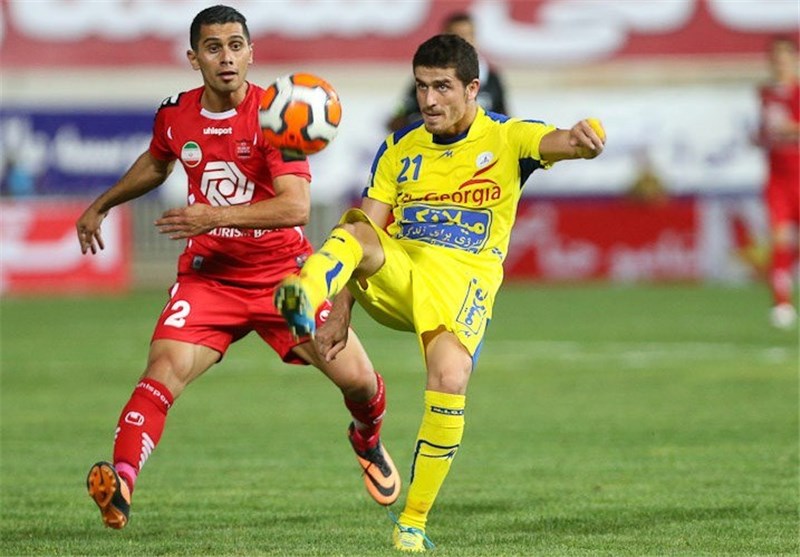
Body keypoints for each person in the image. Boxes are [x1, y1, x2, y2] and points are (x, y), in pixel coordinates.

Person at [274, 33, 605, 552]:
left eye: (442, 87)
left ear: (472, 89)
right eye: (422, 86)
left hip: (463, 283)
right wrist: (339, 307)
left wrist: (584, 140)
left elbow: (560, 141)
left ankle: (412, 523)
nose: (429, 100)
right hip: (402, 272)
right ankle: (302, 291)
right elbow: (365, 231)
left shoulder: (507, 137)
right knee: (355, 228)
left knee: (450, 379)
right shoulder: (399, 148)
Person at [76, 4, 399, 530]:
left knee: (360, 383)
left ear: (251, 53)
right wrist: (103, 203)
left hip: (284, 280)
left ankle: (367, 439)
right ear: (194, 58)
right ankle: (122, 483)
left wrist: (213, 216)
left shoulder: (276, 115)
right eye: (213, 48)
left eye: (235, 46)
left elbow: (295, 206)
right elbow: (157, 161)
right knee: (162, 371)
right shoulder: (175, 114)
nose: (226, 57)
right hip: (210, 279)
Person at [386, 11, 508, 131]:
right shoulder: (427, 79)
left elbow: (503, 120)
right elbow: (399, 115)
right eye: (456, 35)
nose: (463, 41)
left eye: (468, 34)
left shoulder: (492, 78)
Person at [757, 36, 799, 329]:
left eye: (784, 57)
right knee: (780, 239)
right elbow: (766, 132)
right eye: (775, 58)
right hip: (778, 179)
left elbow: (784, 128)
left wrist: (789, 128)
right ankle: (782, 303)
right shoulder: (765, 94)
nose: (779, 63)